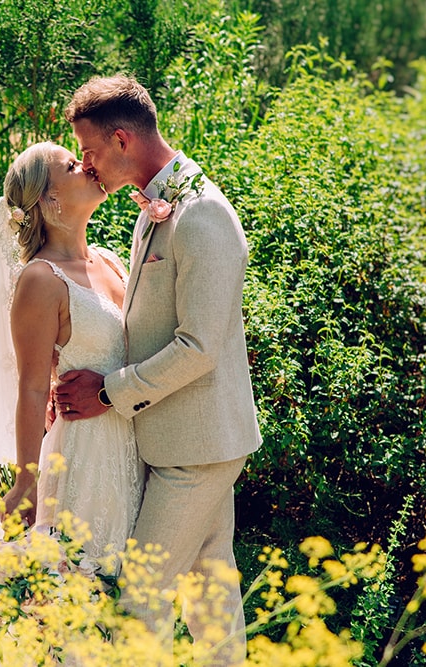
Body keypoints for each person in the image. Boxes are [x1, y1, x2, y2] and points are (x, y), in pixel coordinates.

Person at [53, 75, 262, 665]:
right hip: (181, 438)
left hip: (198, 448)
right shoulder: (153, 206)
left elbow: (199, 347)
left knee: (140, 599)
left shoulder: (202, 215)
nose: (87, 167)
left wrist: (111, 392)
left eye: (90, 152)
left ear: (121, 140)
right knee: (210, 590)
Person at [0, 139, 144, 579]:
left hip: (137, 448)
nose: (89, 165)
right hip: (85, 457)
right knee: (88, 599)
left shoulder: (111, 262)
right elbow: (34, 387)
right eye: (73, 164)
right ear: (49, 197)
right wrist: (26, 480)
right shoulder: (40, 280)